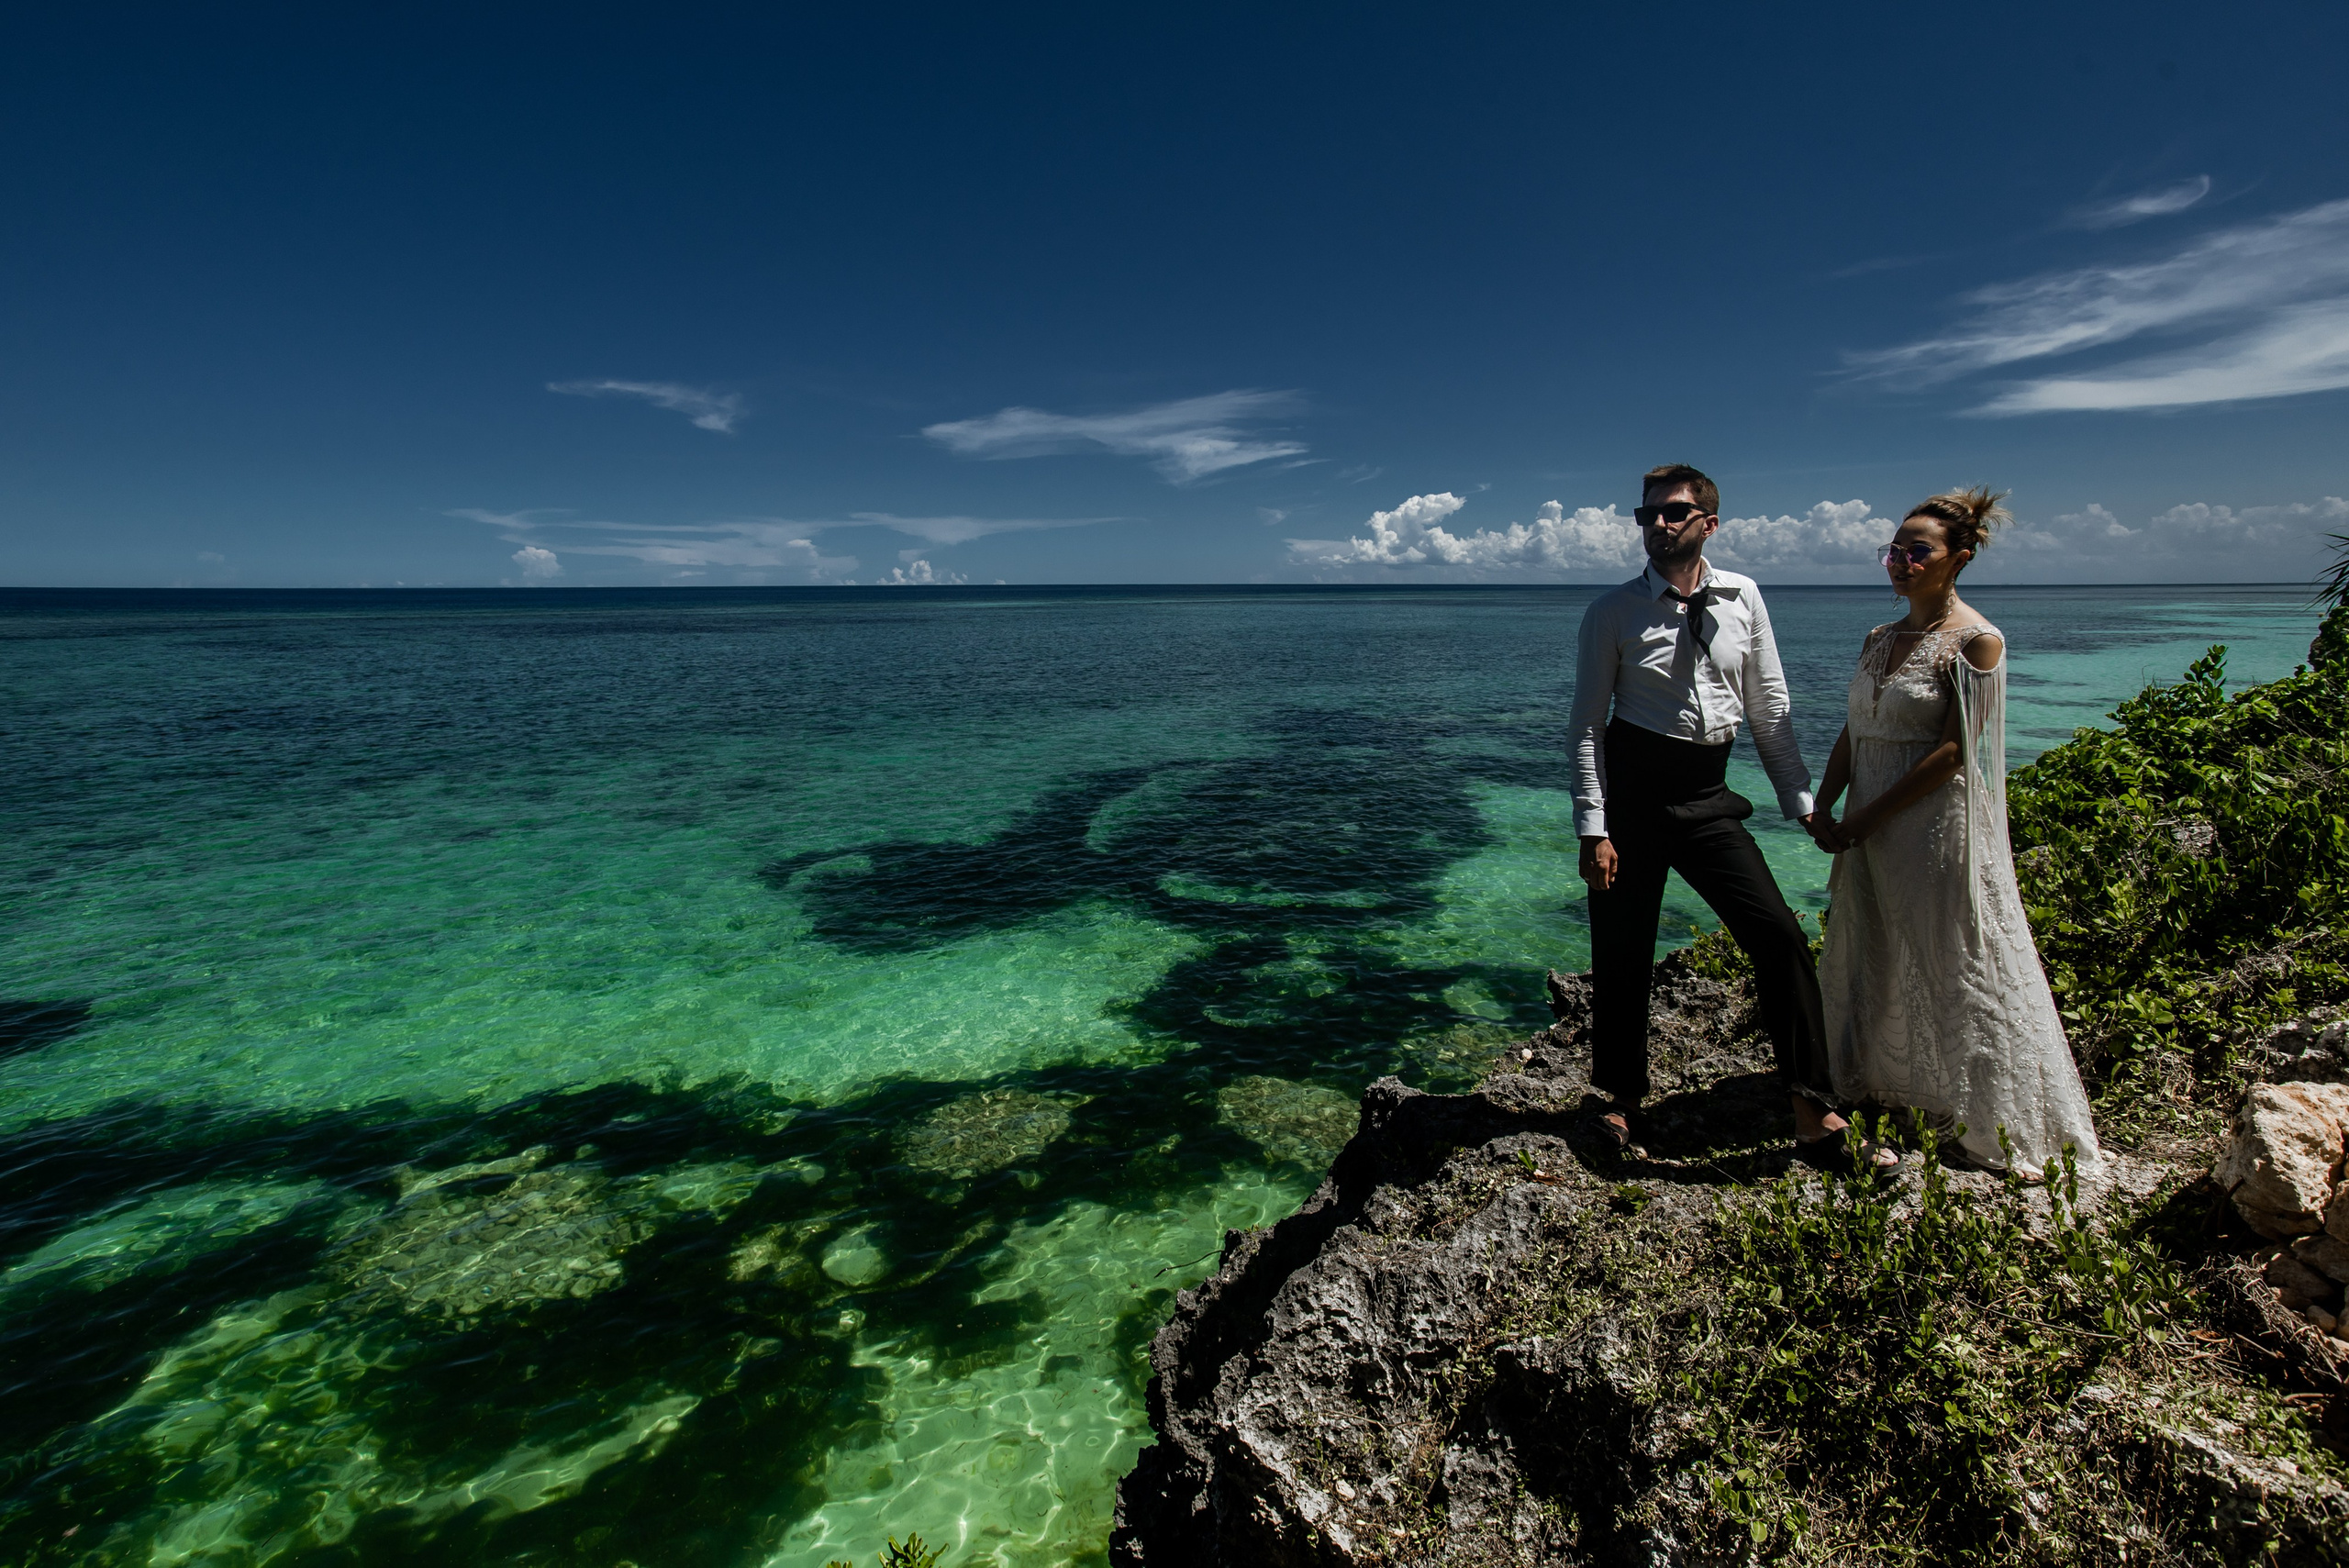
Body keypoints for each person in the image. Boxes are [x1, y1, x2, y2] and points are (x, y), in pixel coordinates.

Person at [1570, 463, 1884, 1170]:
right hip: (1632, 797)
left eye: (1674, 513)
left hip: (1708, 793)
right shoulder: (1612, 612)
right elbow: (1588, 726)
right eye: (1647, 514)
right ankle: (1620, 1100)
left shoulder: (1743, 595)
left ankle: (1812, 1110)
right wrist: (1594, 825)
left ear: (1709, 521)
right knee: (1623, 957)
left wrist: (1801, 801)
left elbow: (1769, 709)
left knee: (1778, 937)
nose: (1658, 524)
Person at [1806, 488, 2099, 1177]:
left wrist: (1867, 817)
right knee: (1876, 945)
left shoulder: (1977, 640)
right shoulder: (1879, 638)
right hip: (1864, 824)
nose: (1900, 563)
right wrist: (1824, 801)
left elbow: (1955, 752)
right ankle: (1884, 1082)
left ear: (1958, 558)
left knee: (1950, 957)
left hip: (1930, 827)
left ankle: (1984, 1119)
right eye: (1894, 550)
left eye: (1918, 551)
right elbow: (1858, 728)